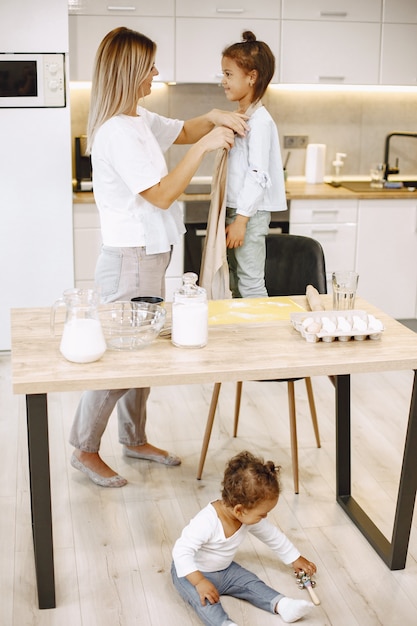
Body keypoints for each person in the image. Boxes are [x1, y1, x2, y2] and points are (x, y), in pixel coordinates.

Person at [69, 26, 249, 488]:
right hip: (129, 261)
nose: (156, 72)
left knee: (139, 358)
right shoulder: (115, 133)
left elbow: (185, 130)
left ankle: (133, 439)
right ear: (130, 71)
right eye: (149, 65)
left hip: (148, 258)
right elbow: (163, 195)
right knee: (116, 363)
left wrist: (211, 117)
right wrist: (207, 148)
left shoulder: (137, 119)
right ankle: (85, 449)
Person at [171, 450, 317, 625]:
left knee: (251, 582)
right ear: (239, 510)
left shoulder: (245, 516)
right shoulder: (207, 522)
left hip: (225, 570)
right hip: (191, 573)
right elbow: (180, 552)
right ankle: (225, 624)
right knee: (205, 602)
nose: (265, 518)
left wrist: (295, 558)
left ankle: (282, 604)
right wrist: (199, 581)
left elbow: (272, 536)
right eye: (262, 514)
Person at [221, 31, 288, 298]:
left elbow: (258, 174)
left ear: (252, 77)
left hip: (248, 215)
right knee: (236, 282)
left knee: (250, 283)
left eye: (228, 74)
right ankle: (244, 337)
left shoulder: (260, 121)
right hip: (239, 211)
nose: (223, 81)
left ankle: (262, 337)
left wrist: (241, 221)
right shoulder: (243, 116)